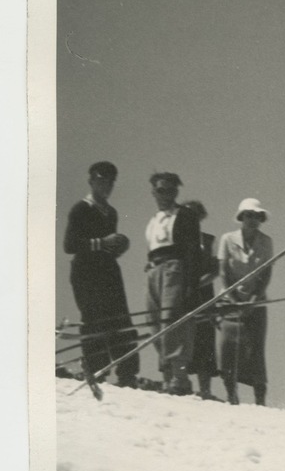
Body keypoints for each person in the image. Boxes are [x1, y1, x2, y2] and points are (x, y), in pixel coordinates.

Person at [62, 161, 140, 387]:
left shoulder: (111, 212)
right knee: (94, 320)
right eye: (101, 180)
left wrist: (118, 246)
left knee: (120, 319)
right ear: (91, 181)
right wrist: (101, 243)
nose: (106, 185)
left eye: (110, 181)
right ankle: (97, 371)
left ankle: (127, 373)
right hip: (86, 272)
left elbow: (107, 247)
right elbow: (69, 245)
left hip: (108, 271)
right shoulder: (81, 208)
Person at [143, 171, 201, 395]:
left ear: (176, 192)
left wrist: (190, 286)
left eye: (169, 190)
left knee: (172, 320)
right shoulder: (153, 220)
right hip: (154, 269)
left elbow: (193, 251)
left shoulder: (184, 215)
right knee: (154, 320)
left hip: (174, 268)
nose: (164, 195)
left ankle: (179, 376)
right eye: (160, 190)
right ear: (153, 192)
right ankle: (166, 374)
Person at [217, 198, 274, 406]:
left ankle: (260, 399)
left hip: (255, 302)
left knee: (256, 350)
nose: (253, 220)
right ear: (241, 217)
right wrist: (234, 299)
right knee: (228, 348)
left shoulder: (266, 242)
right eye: (249, 215)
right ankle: (231, 395)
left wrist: (252, 299)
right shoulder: (227, 239)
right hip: (230, 302)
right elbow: (223, 272)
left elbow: (266, 274)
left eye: (257, 216)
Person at [180, 201, 221, 400]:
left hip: (203, 293)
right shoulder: (177, 239)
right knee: (180, 336)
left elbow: (215, 270)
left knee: (205, 338)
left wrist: (197, 283)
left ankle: (205, 389)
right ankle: (178, 383)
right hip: (182, 293)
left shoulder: (208, 240)